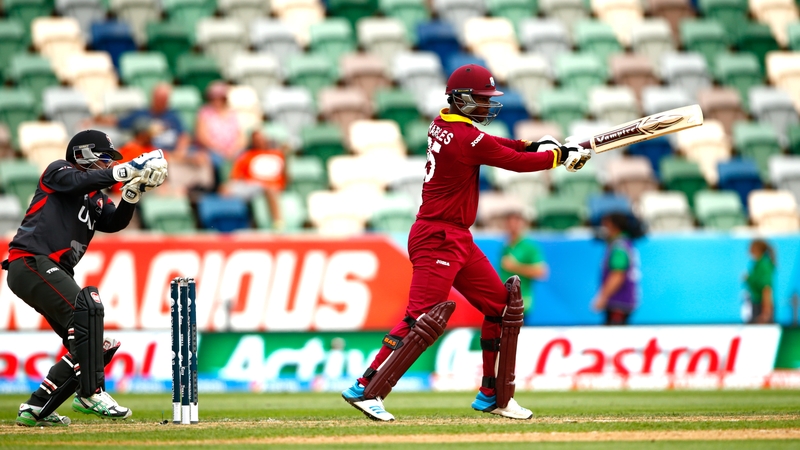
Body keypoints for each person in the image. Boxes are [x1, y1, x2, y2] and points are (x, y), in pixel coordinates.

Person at [341, 64, 592, 422]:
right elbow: (514, 163)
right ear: (460, 99)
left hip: (456, 236)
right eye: (482, 100)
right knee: (421, 317)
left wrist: (536, 144)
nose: (488, 107)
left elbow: (496, 146)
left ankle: (493, 393)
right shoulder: (463, 139)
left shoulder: (446, 124)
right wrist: (557, 156)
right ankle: (367, 388)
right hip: (437, 237)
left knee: (503, 308)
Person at [1, 130, 167, 427]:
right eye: (103, 159)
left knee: (92, 347)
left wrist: (132, 191)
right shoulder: (58, 171)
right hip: (31, 260)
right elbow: (81, 181)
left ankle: (37, 407)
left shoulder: (96, 196)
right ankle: (91, 393)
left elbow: (115, 222)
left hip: (47, 268)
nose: (106, 166)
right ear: (84, 154)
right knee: (88, 308)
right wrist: (126, 169)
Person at [222, 129, 286, 230]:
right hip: (252, 186)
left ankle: (278, 223)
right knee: (225, 189)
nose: (259, 142)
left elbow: (284, 176)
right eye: (256, 139)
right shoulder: (247, 156)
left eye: (261, 139)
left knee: (270, 189)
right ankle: (229, 225)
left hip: (271, 187)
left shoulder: (277, 155)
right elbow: (235, 176)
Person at [591, 212, 644, 325]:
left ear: (613, 226)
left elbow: (618, 274)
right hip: (622, 301)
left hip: (618, 302)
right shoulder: (622, 243)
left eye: (605, 224)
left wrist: (602, 297)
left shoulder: (619, 247)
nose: (602, 228)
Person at [498, 210, 548, 324]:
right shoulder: (506, 246)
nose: (512, 226)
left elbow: (541, 272)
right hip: (505, 302)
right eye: (510, 223)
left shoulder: (530, 246)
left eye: (516, 222)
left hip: (521, 301)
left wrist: (515, 267)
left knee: (516, 337)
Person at [195, 81, 246, 171]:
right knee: (217, 162)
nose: (217, 100)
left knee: (244, 160)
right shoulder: (204, 112)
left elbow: (241, 136)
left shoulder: (232, 113)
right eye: (214, 98)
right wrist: (220, 149)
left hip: (232, 151)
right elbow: (202, 136)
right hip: (213, 151)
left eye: (219, 98)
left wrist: (233, 149)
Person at [744, 239, 776, 324]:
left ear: (756, 249)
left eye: (750, 247)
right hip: (755, 304)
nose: (748, 250)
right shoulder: (756, 264)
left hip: (762, 306)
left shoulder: (764, 265)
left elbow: (766, 289)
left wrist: (766, 311)